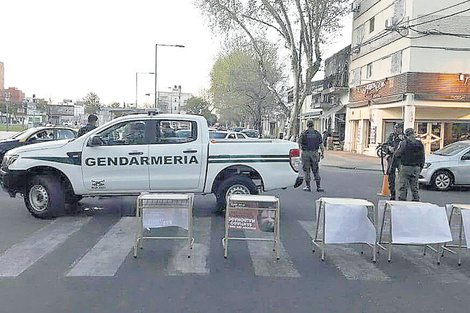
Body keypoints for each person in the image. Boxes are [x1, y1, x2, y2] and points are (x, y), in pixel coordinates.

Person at [392, 128, 425, 202]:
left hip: (406, 167)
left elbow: (397, 154)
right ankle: (416, 201)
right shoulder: (419, 143)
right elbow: (422, 157)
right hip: (416, 168)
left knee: (403, 186)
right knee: (414, 187)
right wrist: (420, 168)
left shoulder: (404, 143)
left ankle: (402, 202)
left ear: (406, 135)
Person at [299, 120, 325, 192]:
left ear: (307, 125)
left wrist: (300, 154)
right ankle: (318, 186)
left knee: (306, 170)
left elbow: (300, 145)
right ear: (313, 125)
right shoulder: (317, 134)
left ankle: (308, 186)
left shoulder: (303, 133)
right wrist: (323, 153)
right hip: (315, 153)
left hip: (306, 153)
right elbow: (321, 145)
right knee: (316, 170)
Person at [385, 123, 404, 200]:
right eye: (395, 128)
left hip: (400, 159)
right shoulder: (391, 136)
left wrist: (403, 139)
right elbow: (385, 145)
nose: (396, 130)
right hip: (392, 158)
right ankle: (392, 194)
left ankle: (402, 196)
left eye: (398, 128)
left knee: (402, 177)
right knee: (390, 175)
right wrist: (388, 148)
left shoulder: (404, 137)